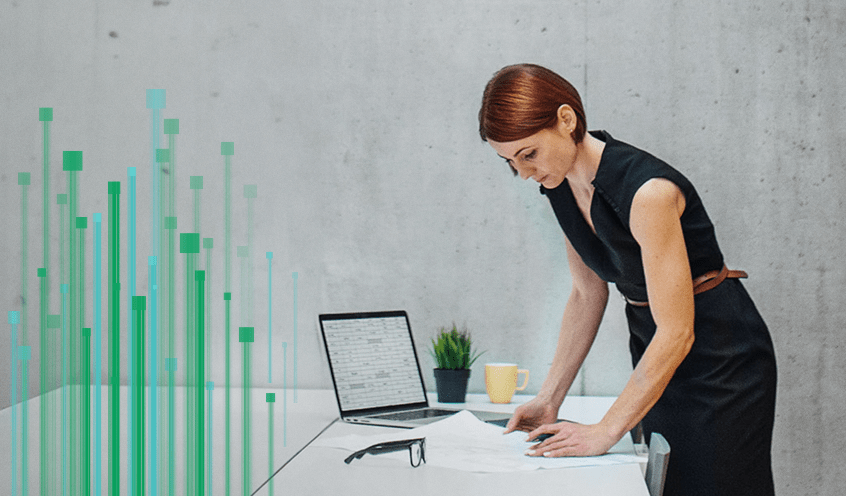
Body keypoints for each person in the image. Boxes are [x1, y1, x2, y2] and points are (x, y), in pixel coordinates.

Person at [478, 63, 777, 496]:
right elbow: (586, 294)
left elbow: (677, 331)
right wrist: (549, 398)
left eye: (529, 154)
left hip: (721, 357)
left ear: (566, 120)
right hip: (655, 348)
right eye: (510, 162)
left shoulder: (648, 192)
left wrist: (606, 431)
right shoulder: (560, 185)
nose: (524, 173)